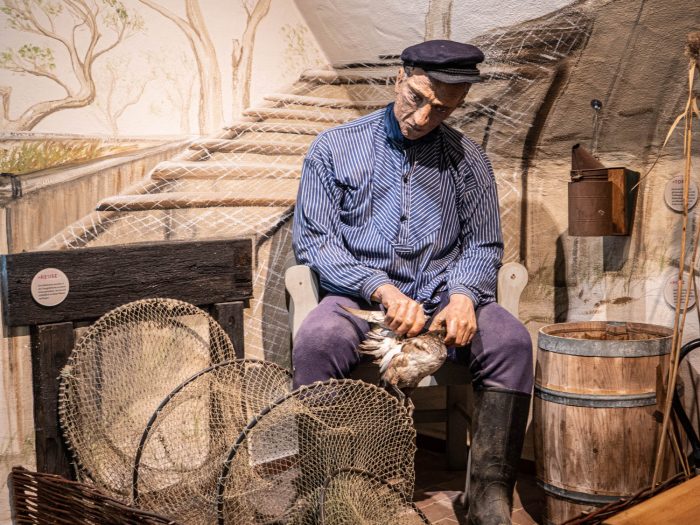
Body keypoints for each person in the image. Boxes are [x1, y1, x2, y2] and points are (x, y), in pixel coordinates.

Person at [291, 39, 533, 525]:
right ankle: (325, 491)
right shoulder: (333, 148)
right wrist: (381, 288)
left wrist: (464, 294)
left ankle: (488, 496)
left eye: (442, 109)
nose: (423, 117)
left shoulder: (470, 161)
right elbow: (316, 242)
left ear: (459, 104)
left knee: (511, 342)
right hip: (358, 297)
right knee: (317, 342)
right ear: (398, 78)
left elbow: (484, 245)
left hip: (445, 296)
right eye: (416, 98)